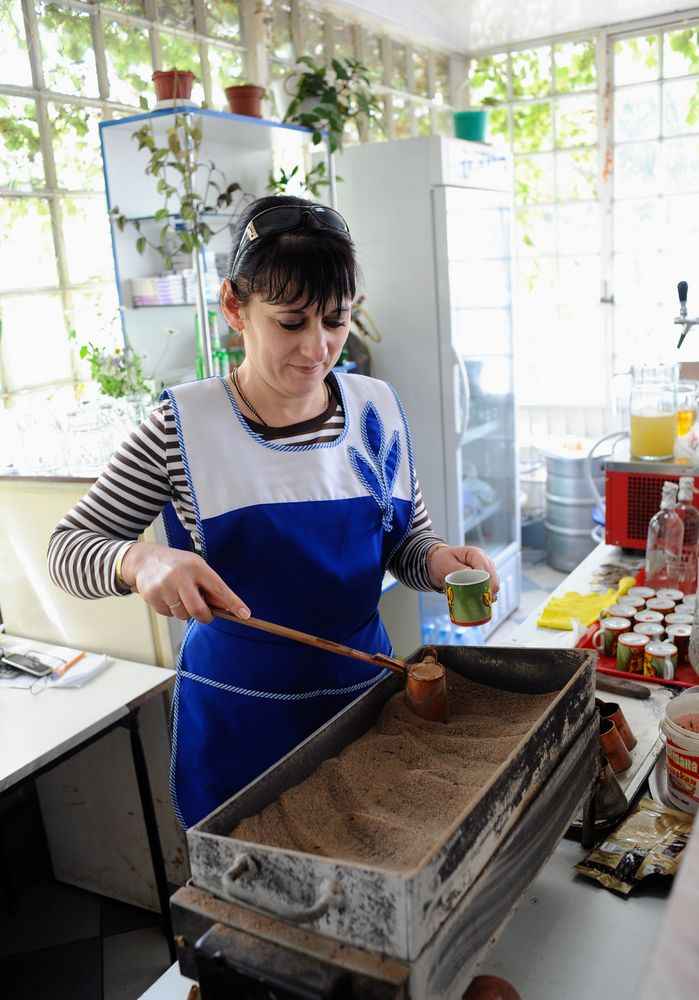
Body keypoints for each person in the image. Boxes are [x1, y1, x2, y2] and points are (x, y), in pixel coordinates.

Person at [48, 195, 500, 829]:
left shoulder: (376, 412)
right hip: (242, 716)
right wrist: (137, 557)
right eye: (292, 322)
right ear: (235, 306)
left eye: (337, 321)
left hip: (362, 697)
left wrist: (439, 561)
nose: (318, 349)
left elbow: (405, 542)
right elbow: (67, 550)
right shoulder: (181, 428)